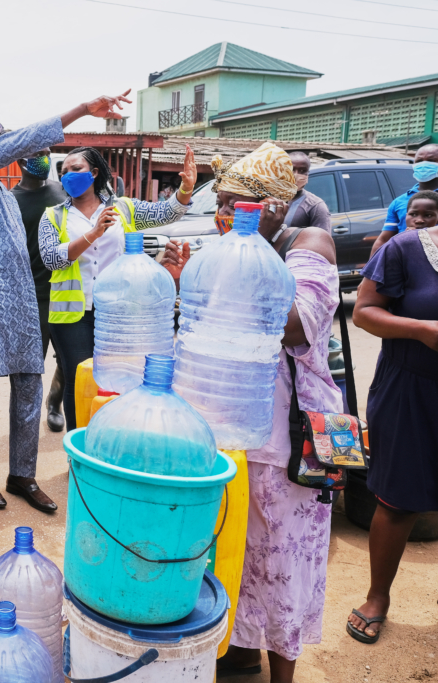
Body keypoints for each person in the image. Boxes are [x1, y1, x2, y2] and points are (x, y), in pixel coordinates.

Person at [163, 142, 339, 683]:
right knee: (233, 547)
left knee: (283, 555)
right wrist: (185, 281)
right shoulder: (231, 251)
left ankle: (280, 670)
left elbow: (297, 325)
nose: (225, 217)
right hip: (232, 422)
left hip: (289, 433)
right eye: (222, 205)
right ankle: (236, 649)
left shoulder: (309, 243)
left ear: (276, 206)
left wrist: (238, 265)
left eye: (238, 205)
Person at [0, 91, 132, 514]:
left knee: (30, 383)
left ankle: (22, 475)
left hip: (22, 304)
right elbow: (16, 144)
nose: (4, 134)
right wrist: (82, 110)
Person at [38, 145, 195, 431]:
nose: (68, 176)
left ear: (94, 173)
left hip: (118, 312)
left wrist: (185, 189)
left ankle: (112, 439)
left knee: (119, 379)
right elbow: (51, 258)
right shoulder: (53, 216)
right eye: (63, 172)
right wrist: (93, 232)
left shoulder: (123, 208)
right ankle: (79, 451)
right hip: (72, 316)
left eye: (76, 169)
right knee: (79, 381)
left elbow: (166, 213)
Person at [346, 190, 438, 645]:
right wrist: (422, 330)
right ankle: (377, 596)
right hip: (410, 390)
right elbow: (364, 313)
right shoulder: (406, 249)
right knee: (398, 499)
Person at [11, 149, 69, 432]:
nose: (44, 159)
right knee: (30, 366)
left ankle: (54, 402)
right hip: (31, 296)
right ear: (21, 162)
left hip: (67, 289)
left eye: (46, 154)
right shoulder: (11, 201)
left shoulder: (61, 190)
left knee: (70, 358)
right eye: (37, 155)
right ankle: (27, 422)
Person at [371, 143, 438, 257]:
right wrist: (371, 270)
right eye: (419, 161)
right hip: (406, 262)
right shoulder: (399, 202)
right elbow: (384, 239)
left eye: (431, 160)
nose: (423, 165)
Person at [285, 151, 331, 232]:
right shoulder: (269, 199)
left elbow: (322, 241)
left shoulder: (315, 206)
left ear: (308, 173)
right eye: (292, 170)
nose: (296, 175)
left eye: (302, 171)